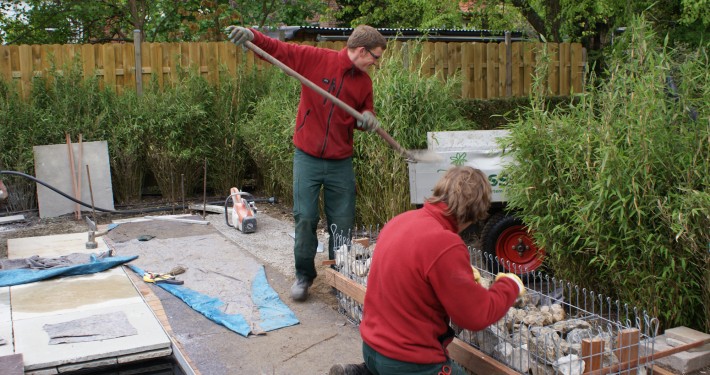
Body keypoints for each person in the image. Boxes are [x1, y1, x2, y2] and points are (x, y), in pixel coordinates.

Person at [226, 25, 387, 301]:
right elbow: (278, 50)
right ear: (361, 51)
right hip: (307, 158)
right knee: (305, 218)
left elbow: (364, 112)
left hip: (340, 161)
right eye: (375, 57)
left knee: (343, 221)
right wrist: (252, 35)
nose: (376, 63)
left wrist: (368, 118)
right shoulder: (315, 59)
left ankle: (341, 276)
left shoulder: (364, 82)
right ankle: (304, 276)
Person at [330, 166, 525, 375]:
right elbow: (475, 316)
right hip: (410, 362)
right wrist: (509, 285)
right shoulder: (445, 244)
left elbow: (417, 274)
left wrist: (462, 276)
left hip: (372, 348)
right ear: (475, 212)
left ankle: (364, 372)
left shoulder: (401, 220)